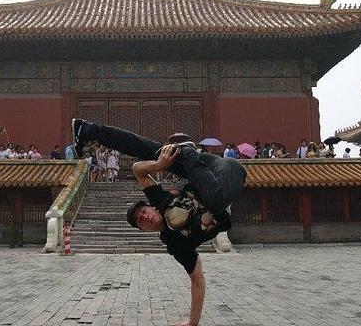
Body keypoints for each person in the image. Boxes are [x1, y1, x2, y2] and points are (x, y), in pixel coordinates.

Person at [72, 119, 246, 326]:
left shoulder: (160, 202)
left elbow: (137, 169)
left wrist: (159, 165)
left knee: (153, 151)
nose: (144, 216)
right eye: (140, 221)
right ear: (144, 230)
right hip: (226, 179)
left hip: (209, 165)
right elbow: (197, 280)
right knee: (213, 203)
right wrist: (192, 322)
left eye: (143, 211)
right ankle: (185, 151)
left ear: (151, 207)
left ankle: (88, 129)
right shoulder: (177, 245)